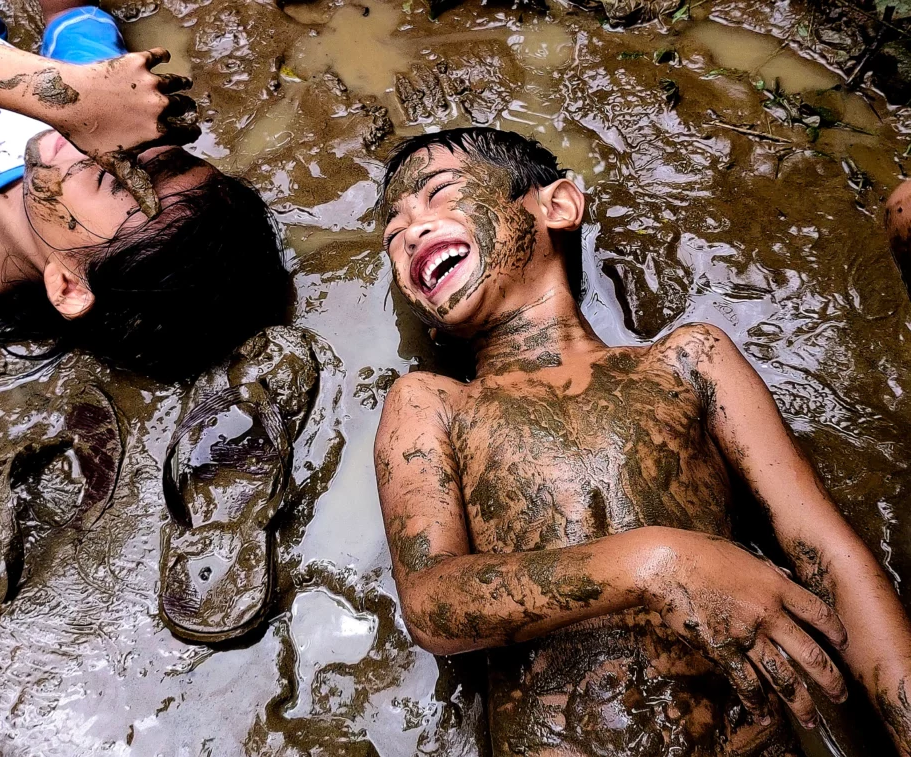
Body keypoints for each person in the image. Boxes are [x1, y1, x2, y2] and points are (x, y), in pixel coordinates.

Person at [373, 127, 911, 756]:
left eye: (439, 193)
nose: (411, 229)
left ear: (557, 207)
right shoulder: (430, 403)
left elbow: (827, 555)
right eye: (392, 233)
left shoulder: (691, 360)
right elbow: (433, 601)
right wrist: (656, 563)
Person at [0, 0, 290, 381]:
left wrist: (43, 86)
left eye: (117, 183)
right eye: (162, 155)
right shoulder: (98, 125)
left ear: (69, 286)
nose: (116, 152)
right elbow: (71, 14)